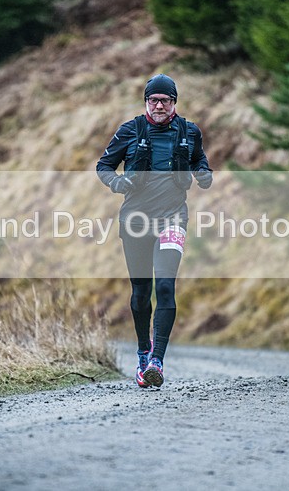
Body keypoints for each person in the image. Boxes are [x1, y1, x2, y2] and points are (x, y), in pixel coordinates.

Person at [96, 74, 212, 388]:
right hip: (135, 221)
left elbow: (199, 159)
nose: (159, 104)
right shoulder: (130, 130)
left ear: (174, 102)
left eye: (165, 99)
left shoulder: (189, 132)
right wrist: (117, 184)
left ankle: (157, 361)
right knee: (141, 293)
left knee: (164, 286)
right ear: (146, 102)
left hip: (173, 218)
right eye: (153, 99)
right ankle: (143, 354)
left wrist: (204, 173)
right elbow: (104, 166)